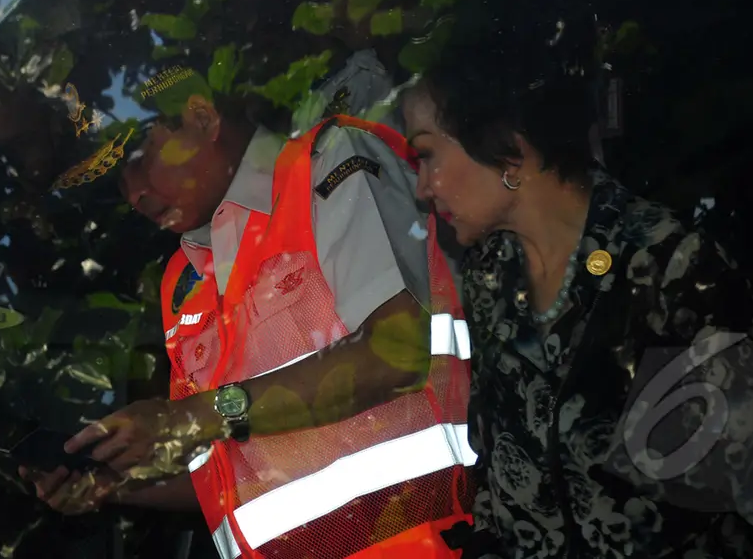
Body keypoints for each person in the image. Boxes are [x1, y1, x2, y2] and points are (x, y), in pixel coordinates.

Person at [400, 0, 753, 557]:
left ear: (509, 148)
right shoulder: (491, 273)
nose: (423, 187)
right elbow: (504, 478)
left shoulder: (665, 272)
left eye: (427, 154)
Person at [30, 66, 475, 558]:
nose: (133, 193)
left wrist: (196, 416)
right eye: (116, 181)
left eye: (139, 159)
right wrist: (109, 485)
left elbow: (395, 354)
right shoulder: (183, 280)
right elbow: (228, 475)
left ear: (201, 116)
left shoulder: (329, 165)